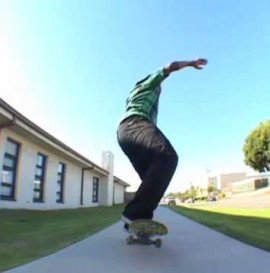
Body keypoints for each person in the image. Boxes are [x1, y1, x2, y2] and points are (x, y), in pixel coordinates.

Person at [117, 59, 207, 230]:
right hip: (136, 124)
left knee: (153, 178)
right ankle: (133, 215)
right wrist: (190, 63)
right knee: (168, 157)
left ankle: (137, 222)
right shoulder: (149, 83)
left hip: (124, 135)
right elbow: (170, 66)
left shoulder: (132, 96)